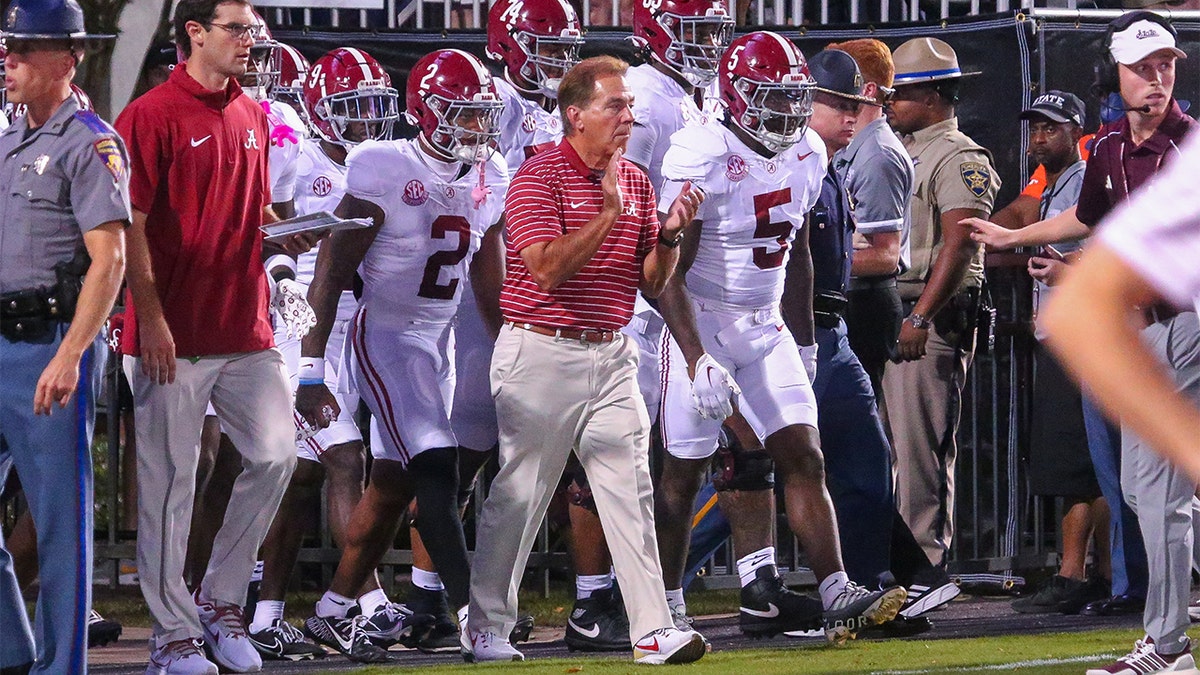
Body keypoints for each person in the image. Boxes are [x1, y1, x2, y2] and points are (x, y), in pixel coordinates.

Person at [653, 31, 907, 646]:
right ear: (738, 98)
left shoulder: (807, 153)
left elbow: (797, 259)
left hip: (766, 324)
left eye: (795, 99)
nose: (788, 114)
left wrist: (805, 341)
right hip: (703, 318)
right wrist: (695, 358)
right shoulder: (701, 150)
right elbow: (664, 274)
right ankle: (663, 603)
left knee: (804, 454)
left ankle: (836, 589)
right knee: (683, 472)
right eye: (773, 98)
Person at [969, 12, 1197, 673]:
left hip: (1186, 322)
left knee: (1155, 490)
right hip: (1145, 328)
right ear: (1115, 76)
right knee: (1137, 487)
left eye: (1166, 64)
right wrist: (1015, 237)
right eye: (1143, 66)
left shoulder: (1187, 150)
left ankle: (1168, 645)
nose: (1157, 77)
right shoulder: (1111, 150)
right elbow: (1087, 215)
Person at [465, 55, 706, 665]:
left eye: (628, 105)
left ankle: (652, 630)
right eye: (613, 106)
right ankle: (487, 626)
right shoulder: (537, 176)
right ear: (574, 115)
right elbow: (545, 269)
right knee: (520, 496)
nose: (628, 116)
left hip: (612, 349)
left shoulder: (637, 178)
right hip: (541, 348)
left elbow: (653, 279)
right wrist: (608, 216)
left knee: (631, 490)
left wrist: (672, 234)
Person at [114, 0, 313, 671]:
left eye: (253, 31)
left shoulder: (253, 112)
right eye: (237, 30)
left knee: (277, 456)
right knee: (170, 483)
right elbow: (129, 227)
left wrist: (286, 249)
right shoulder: (147, 114)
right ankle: (170, 637)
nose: (250, 42)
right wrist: (152, 318)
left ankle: (219, 600)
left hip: (244, 325)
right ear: (193, 33)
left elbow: (257, 207)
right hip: (174, 331)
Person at [295, 48, 507, 664]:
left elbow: (488, 287)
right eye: (463, 116)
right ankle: (476, 622)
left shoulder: (487, 173)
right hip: (386, 336)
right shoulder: (382, 165)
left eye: (480, 117)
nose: (475, 129)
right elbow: (331, 274)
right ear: (426, 112)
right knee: (436, 470)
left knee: (391, 483)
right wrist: (312, 369)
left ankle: (335, 611)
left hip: (437, 341)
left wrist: (515, 353)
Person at [246, 46, 402, 662]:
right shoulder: (292, 150)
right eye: (351, 110)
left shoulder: (380, 166)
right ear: (317, 108)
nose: (364, 125)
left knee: (302, 475)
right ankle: (364, 605)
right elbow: (260, 223)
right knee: (343, 455)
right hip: (294, 329)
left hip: (347, 332)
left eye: (372, 111)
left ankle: (266, 614)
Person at [0, 0, 128, 671]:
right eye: (7, 46)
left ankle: (62, 667)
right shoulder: (7, 139)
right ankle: (13, 650)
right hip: (0, 341)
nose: (8, 60)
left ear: (67, 57)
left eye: (23, 49)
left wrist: (73, 353)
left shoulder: (90, 141)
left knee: (60, 526)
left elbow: (110, 260)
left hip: (52, 338)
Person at [825, 38, 961, 621]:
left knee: (867, 450)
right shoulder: (849, 148)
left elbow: (889, 254)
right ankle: (908, 572)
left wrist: (810, 256)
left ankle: (907, 569)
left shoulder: (879, 153)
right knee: (851, 450)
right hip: (849, 305)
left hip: (869, 306)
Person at [981, 92, 1111, 616]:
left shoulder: (1082, 180)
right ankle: (1103, 573)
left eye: (1051, 129)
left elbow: (1103, 247)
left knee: (1075, 462)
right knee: (1086, 461)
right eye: (1034, 128)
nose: (1039, 137)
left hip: (1081, 335)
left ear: (1075, 131)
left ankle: (1072, 572)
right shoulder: (1054, 184)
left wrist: (1059, 267)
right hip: (1065, 333)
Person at [882, 37, 999, 567]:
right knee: (885, 453)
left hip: (927, 321)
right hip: (891, 313)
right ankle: (891, 568)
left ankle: (924, 569)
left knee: (919, 455)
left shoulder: (959, 156)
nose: (888, 103)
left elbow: (961, 243)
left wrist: (919, 315)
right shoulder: (900, 149)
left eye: (898, 94)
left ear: (931, 95)